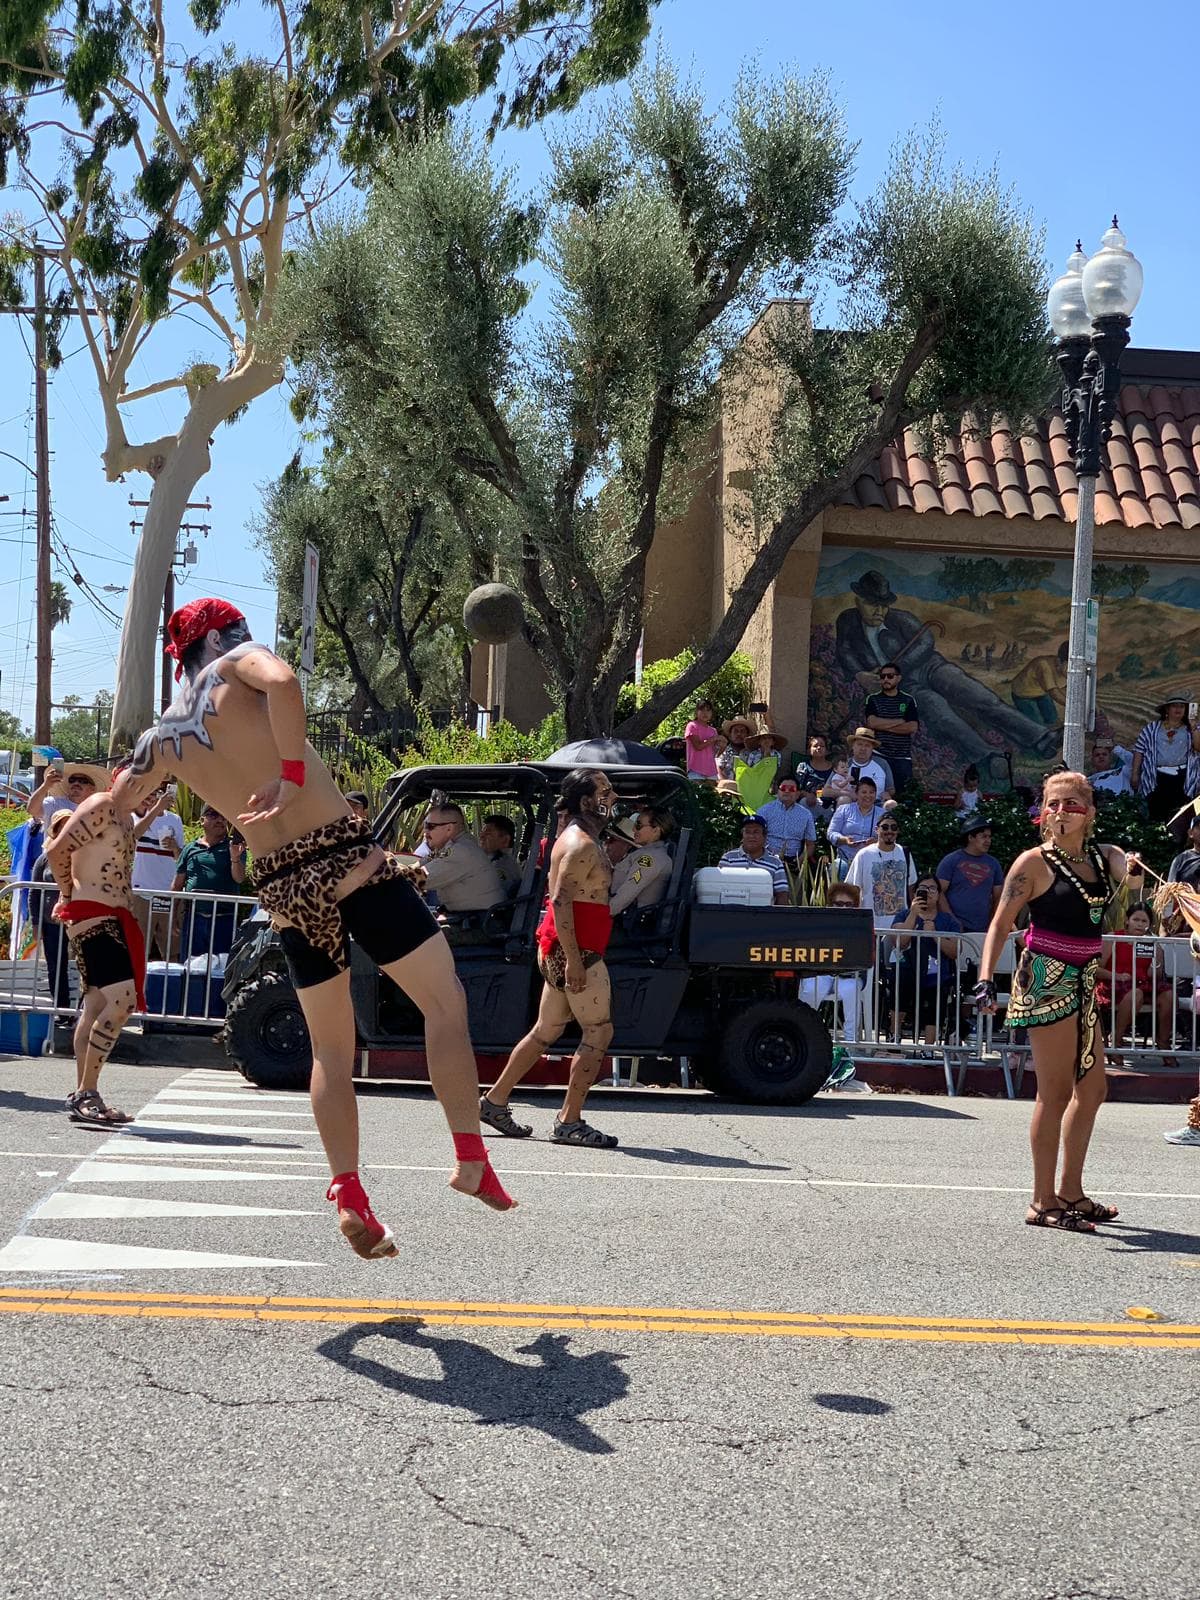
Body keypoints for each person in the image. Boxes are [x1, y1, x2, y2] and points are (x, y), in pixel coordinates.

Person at [116, 595, 515, 1259]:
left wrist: (113, 812)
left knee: (331, 1049)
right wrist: (292, 773)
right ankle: (470, 1157)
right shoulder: (238, 661)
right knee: (444, 1004)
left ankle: (350, 1193)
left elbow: (121, 796)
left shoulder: (163, 737)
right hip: (343, 858)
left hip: (282, 884)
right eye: (239, 630)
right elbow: (286, 682)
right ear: (221, 635)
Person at [974, 769, 1145, 1231]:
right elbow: (1001, 923)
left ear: (1089, 813)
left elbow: (1131, 887)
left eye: (1072, 804)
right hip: (1046, 978)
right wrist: (986, 977)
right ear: (1041, 814)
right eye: (1053, 804)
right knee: (1053, 1093)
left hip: (1086, 978)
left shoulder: (1104, 855)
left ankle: (1071, 1191)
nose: (1061, 812)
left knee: (1093, 1090)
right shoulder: (1032, 864)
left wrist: (1134, 875)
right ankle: (1041, 1200)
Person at [480, 768, 619, 1147]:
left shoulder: (581, 837)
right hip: (576, 951)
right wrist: (574, 960)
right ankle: (569, 1121)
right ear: (587, 800)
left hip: (566, 947)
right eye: (605, 791)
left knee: (546, 1030)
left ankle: (494, 1101)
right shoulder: (581, 844)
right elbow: (560, 901)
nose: (613, 797)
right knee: (598, 1030)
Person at [835, 569, 1058, 759]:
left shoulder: (900, 618)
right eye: (872, 604)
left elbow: (925, 642)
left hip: (931, 668)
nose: (879, 611)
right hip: (905, 688)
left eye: (883, 606)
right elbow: (844, 651)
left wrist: (896, 669)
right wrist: (860, 675)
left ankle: (1039, 736)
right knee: (938, 710)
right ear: (858, 601)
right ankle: (988, 755)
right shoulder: (847, 621)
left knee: (980, 696)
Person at [45, 763, 148, 1129]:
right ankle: (86, 1092)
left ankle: (84, 1091)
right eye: (139, 779)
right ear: (121, 779)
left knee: (98, 1005)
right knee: (121, 1000)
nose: (147, 787)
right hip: (91, 914)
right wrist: (66, 895)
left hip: (113, 916)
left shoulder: (124, 819)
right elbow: (57, 850)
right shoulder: (101, 805)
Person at [886, 874, 961, 1044]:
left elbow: (955, 951)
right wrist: (913, 914)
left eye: (932, 889)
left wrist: (935, 935)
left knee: (937, 990)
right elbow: (900, 943)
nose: (928, 892)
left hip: (935, 973)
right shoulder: (904, 915)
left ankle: (928, 1048)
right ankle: (894, 1036)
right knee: (900, 980)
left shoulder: (948, 921)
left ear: (939, 894)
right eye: (923, 889)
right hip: (907, 970)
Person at [1096, 902, 1174, 1054]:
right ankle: (1116, 1043)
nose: (1139, 924)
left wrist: (1156, 958)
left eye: (1144, 921)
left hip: (1142, 985)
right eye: (1136, 920)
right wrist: (1117, 976)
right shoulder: (1113, 938)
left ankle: (1163, 1042)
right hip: (1113, 984)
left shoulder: (1152, 944)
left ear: (1149, 925)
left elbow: (1154, 977)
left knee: (1169, 995)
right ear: (1127, 920)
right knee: (1135, 993)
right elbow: (1096, 969)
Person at [173, 804, 248, 958]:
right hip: (194, 918)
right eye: (214, 814)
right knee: (190, 966)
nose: (220, 819)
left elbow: (239, 878)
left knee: (220, 969)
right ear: (202, 820)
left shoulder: (234, 847)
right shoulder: (190, 848)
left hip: (224, 919)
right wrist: (172, 915)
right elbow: (177, 884)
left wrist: (235, 859)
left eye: (223, 816)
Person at [799, 881, 868, 1041]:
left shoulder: (860, 927)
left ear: (855, 907)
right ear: (830, 904)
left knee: (851, 991)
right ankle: (804, 1034)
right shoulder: (820, 924)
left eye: (848, 905)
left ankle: (851, 1043)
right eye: (839, 904)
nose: (843, 908)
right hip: (822, 973)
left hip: (850, 975)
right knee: (810, 989)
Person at [421, 803, 505, 914]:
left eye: (430, 826)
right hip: (471, 918)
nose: (425, 832)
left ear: (449, 829)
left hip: (478, 924)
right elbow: (422, 862)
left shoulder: (462, 851)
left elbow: (420, 879)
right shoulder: (456, 845)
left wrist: (392, 870)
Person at [132, 785, 184, 959]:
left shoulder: (175, 819)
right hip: (141, 891)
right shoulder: (134, 817)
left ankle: (170, 984)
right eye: (148, 792)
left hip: (168, 891)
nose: (151, 796)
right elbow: (133, 836)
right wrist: (155, 810)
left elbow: (180, 858)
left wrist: (175, 847)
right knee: (138, 946)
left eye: (155, 792)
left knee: (172, 949)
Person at [1131, 698, 1200, 824]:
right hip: (1157, 777)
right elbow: (1139, 750)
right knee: (1156, 814)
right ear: (1167, 709)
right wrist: (1135, 774)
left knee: (1181, 815)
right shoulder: (1152, 728)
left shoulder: (1191, 729)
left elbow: (1198, 748)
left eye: (1182, 707)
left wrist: (1193, 725)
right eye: (1174, 706)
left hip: (1182, 778)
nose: (1178, 709)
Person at [846, 814, 917, 928]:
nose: (889, 831)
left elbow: (911, 888)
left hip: (899, 926)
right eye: (885, 827)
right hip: (870, 925)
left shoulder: (905, 853)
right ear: (876, 829)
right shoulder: (863, 855)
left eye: (893, 827)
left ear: (898, 831)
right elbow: (854, 889)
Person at [936, 817, 1004, 933]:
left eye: (989, 837)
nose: (988, 841)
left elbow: (998, 898)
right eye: (983, 836)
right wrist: (952, 920)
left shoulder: (994, 864)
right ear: (970, 837)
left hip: (983, 929)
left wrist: (993, 923)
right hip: (952, 930)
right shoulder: (951, 860)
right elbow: (938, 892)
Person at [863, 662, 920, 791]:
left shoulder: (908, 700)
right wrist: (900, 720)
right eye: (882, 677)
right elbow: (872, 723)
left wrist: (883, 725)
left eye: (890, 676)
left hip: (902, 756)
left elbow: (912, 727)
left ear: (898, 678)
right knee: (877, 791)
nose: (886, 679)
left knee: (903, 795)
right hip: (879, 754)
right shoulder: (873, 699)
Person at [758, 777, 816, 898]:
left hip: (793, 865)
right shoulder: (764, 811)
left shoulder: (806, 815)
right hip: (766, 861)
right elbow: (756, 838)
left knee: (792, 901)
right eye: (783, 788)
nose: (787, 791)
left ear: (798, 793)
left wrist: (799, 861)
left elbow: (810, 844)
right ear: (777, 791)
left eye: (792, 789)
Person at [610, 807, 674, 913]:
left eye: (638, 825)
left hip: (627, 922)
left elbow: (629, 890)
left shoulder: (649, 858)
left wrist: (603, 914)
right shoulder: (646, 854)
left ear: (656, 830)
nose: (634, 830)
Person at [718, 815, 789, 904]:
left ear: (765, 836)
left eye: (756, 832)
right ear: (742, 835)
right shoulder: (728, 859)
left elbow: (782, 894)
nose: (751, 836)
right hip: (731, 913)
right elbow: (718, 890)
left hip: (763, 915)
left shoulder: (775, 863)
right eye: (747, 832)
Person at [828, 778, 886, 876]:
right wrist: (844, 839)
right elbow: (831, 833)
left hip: (872, 859)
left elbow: (888, 837)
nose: (868, 796)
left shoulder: (883, 814)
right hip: (846, 858)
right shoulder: (844, 810)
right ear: (856, 794)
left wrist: (877, 842)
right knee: (838, 867)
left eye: (872, 792)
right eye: (864, 792)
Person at [1010, 642, 1068, 728]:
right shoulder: (1044, 665)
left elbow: (1063, 689)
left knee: (1053, 719)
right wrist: (1072, 705)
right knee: (1038, 726)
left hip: (1041, 693)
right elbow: (1054, 693)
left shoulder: (1064, 669)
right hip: (1023, 694)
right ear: (1059, 661)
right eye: (1070, 665)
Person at [846, 728, 894, 802]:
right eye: (860, 744)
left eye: (867, 745)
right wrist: (847, 794)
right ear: (853, 746)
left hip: (877, 805)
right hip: (851, 805)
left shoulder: (882, 764)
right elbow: (827, 791)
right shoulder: (845, 764)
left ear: (872, 748)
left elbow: (891, 789)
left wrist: (887, 793)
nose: (863, 748)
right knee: (843, 800)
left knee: (891, 804)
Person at [479, 813, 521, 895]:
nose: (481, 836)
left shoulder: (503, 865)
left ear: (505, 840)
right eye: (482, 832)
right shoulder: (491, 859)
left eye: (488, 833)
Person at [684, 700, 724, 783]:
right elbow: (698, 746)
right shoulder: (692, 726)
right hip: (695, 771)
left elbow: (716, 753)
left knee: (711, 795)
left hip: (711, 772)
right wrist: (713, 739)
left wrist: (723, 745)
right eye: (702, 710)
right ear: (696, 712)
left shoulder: (713, 731)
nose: (705, 713)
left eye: (708, 710)